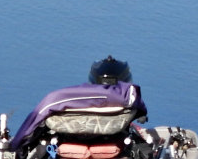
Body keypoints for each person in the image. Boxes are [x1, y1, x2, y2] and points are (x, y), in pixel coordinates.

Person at [11, 56, 148, 148]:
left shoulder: (61, 97)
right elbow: (140, 108)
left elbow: (38, 114)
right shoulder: (127, 94)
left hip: (68, 144)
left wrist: (17, 144)